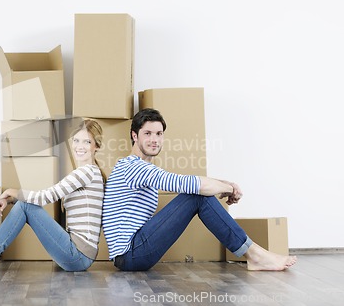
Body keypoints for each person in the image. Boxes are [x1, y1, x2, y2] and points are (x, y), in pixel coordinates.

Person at [102, 108, 297, 272]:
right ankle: (254, 255)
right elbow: (192, 185)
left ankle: (254, 254)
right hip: (131, 253)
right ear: (134, 136)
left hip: (132, 253)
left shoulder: (140, 168)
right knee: (198, 196)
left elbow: (187, 182)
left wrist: (223, 183)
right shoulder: (134, 168)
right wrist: (229, 187)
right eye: (148, 133)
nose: (154, 139)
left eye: (159, 134)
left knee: (197, 193)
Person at [0, 119, 105, 273]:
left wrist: (11, 191)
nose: (79, 146)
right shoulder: (89, 173)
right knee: (25, 204)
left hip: (78, 256)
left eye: (87, 142)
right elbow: (41, 197)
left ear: (96, 146)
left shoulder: (86, 172)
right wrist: (10, 199)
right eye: (76, 140)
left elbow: (44, 197)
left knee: (25, 205)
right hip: (78, 255)